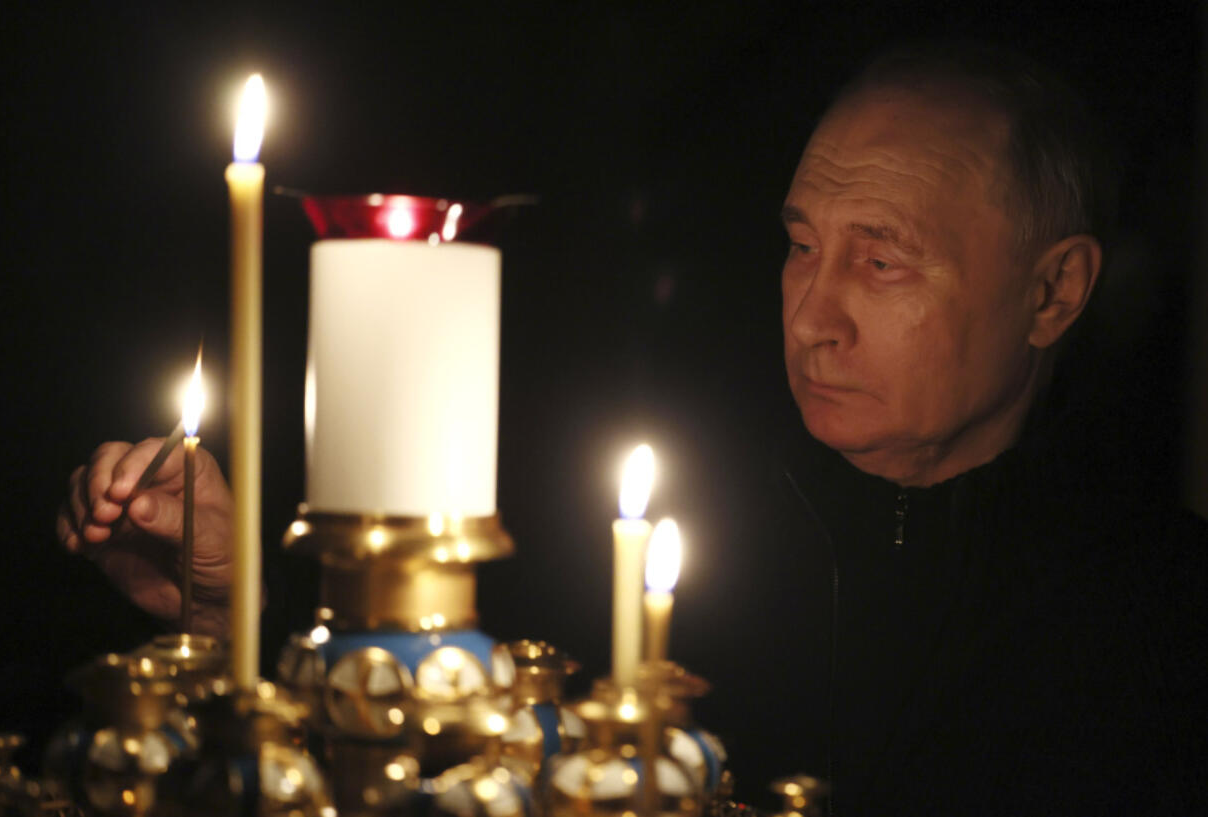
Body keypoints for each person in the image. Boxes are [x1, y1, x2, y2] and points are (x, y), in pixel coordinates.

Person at [58, 41, 1205, 814]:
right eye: (802, 245)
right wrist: (229, 606)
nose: (813, 315)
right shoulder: (636, 532)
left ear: (1051, 293)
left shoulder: (1152, 624)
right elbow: (417, 759)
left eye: (882, 259)